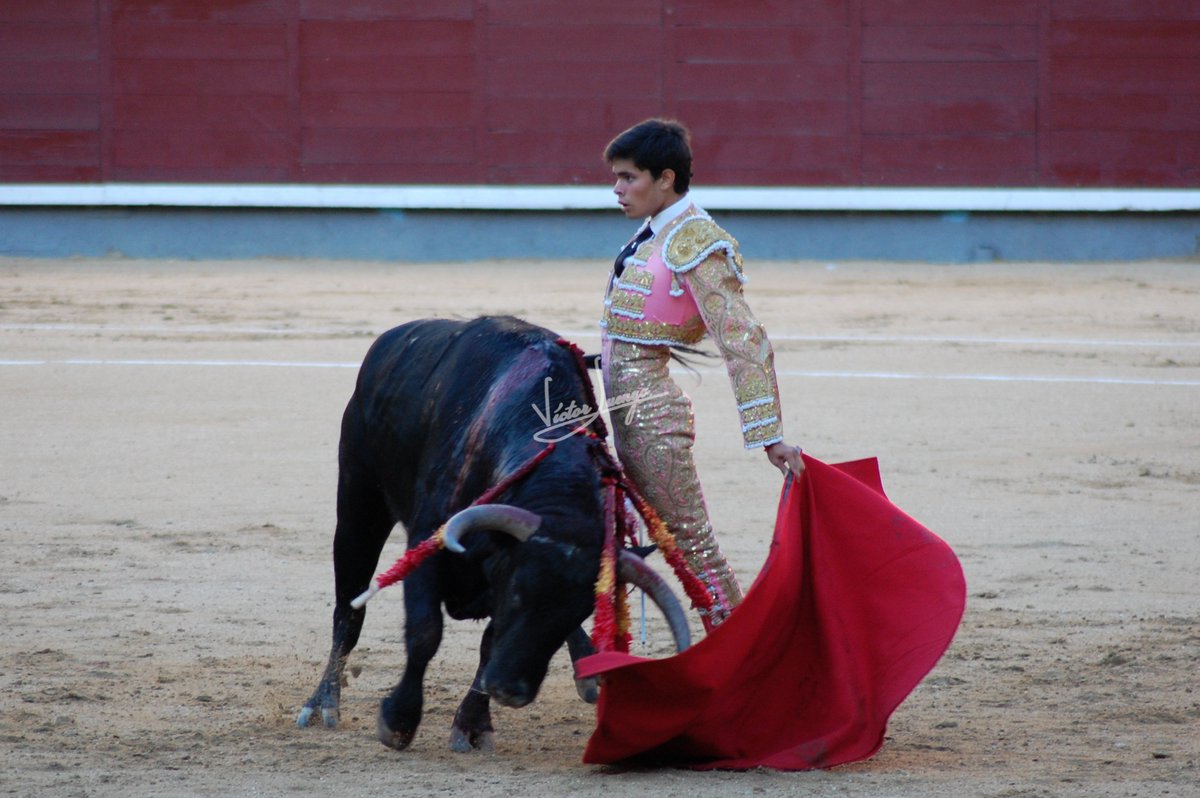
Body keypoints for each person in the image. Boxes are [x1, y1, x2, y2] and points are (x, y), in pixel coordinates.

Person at [597, 118, 804, 629]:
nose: (617, 189)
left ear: (665, 178)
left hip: (652, 419)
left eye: (628, 177)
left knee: (692, 546)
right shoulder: (656, 231)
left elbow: (743, 340)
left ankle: (739, 651)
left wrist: (769, 435)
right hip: (626, 408)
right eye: (617, 177)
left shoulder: (694, 242)